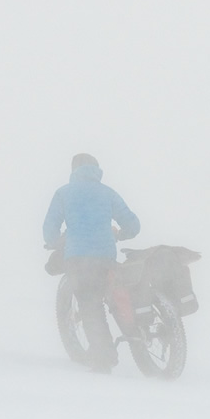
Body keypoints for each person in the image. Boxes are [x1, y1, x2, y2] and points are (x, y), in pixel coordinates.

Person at [43, 153, 140, 372]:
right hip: (107, 257)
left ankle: (103, 356)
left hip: (79, 258)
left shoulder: (63, 193)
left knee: (89, 303)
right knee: (109, 294)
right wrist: (121, 235)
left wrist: (55, 242)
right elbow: (133, 225)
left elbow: (49, 230)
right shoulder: (108, 193)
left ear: (73, 169)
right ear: (96, 169)